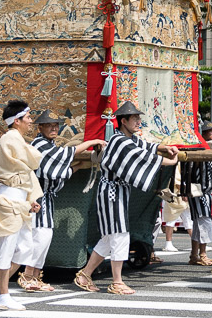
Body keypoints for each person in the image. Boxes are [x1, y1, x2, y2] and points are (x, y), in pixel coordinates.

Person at [75, 101, 177, 296]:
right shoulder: (119, 141)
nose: (139, 121)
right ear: (123, 121)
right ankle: (117, 281)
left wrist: (167, 147)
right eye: (135, 118)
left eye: (139, 118)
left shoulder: (126, 138)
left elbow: (148, 147)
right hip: (112, 192)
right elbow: (142, 156)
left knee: (109, 237)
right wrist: (169, 160)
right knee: (120, 234)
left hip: (116, 191)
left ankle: (85, 274)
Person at [18, 111, 103, 292]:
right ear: (40, 128)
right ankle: (27, 275)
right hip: (36, 196)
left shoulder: (50, 144)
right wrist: (88, 143)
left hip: (46, 197)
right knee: (39, 237)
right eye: (49, 125)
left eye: (56, 124)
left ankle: (35, 276)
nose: (54, 128)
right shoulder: (40, 144)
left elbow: (58, 166)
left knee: (44, 237)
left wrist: (77, 167)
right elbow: (60, 157)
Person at [0, 99, 43, 310]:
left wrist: (31, 198)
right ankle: (3, 295)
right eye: (28, 118)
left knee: (25, 249)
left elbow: (26, 171)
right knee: (7, 249)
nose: (30, 121)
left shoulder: (16, 139)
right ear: (17, 121)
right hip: (9, 198)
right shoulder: (10, 139)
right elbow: (33, 160)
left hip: (19, 197)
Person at [182, 121, 212, 267]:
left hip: (206, 189)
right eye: (210, 131)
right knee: (204, 220)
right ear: (203, 134)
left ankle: (194, 254)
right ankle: (202, 254)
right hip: (198, 189)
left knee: (199, 222)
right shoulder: (198, 148)